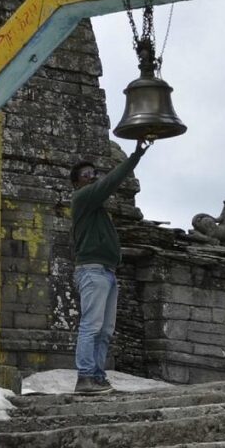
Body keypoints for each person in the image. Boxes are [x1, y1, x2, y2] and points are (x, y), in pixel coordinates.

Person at [69, 140, 150, 394]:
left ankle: (97, 376)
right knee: (91, 326)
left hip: (106, 272)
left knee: (105, 330)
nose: (92, 177)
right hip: (92, 271)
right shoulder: (82, 198)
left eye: (94, 173)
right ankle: (85, 377)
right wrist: (135, 157)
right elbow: (110, 183)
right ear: (77, 183)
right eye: (86, 175)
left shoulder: (97, 211)